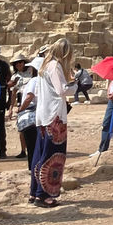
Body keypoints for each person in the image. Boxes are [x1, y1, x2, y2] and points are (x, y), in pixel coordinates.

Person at [30, 38, 77, 208]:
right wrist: (76, 85)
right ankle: (44, 196)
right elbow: (62, 90)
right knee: (53, 156)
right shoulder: (55, 66)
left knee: (40, 154)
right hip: (54, 117)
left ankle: (34, 192)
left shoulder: (43, 67)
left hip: (43, 116)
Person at [15, 61, 40, 173]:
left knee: (31, 145)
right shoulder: (45, 81)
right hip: (41, 115)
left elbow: (29, 97)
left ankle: (32, 168)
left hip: (30, 117)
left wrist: (21, 109)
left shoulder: (34, 80)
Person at [6, 54, 33, 158]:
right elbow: (13, 93)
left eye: (20, 62)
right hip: (22, 103)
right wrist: (11, 108)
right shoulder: (15, 77)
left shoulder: (32, 72)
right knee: (21, 128)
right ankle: (23, 150)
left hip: (33, 102)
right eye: (16, 63)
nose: (18, 65)